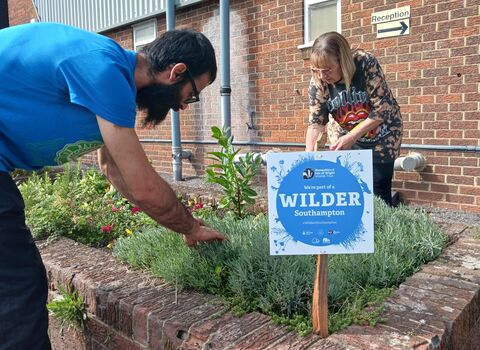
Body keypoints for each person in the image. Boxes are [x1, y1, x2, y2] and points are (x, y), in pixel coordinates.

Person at [0, 22, 225, 350]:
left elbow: (113, 170)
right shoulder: (103, 67)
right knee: (18, 287)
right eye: (191, 94)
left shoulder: (115, 85)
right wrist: (190, 227)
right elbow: (145, 187)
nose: (183, 106)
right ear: (176, 72)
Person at [305, 31, 403, 206]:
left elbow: (382, 110)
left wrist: (351, 137)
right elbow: (316, 123)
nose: (321, 75)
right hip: (343, 136)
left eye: (327, 70)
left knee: (379, 195)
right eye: (315, 70)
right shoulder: (318, 82)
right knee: (346, 192)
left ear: (342, 61)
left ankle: (383, 232)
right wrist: (308, 160)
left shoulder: (365, 63)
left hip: (382, 136)